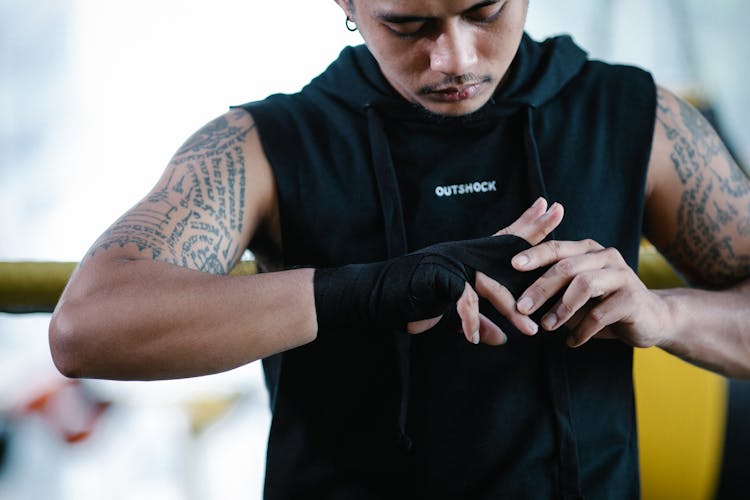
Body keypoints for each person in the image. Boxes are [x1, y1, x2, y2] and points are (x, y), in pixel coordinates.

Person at [49, 0, 750, 498]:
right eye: (408, 25)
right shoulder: (266, 144)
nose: (456, 59)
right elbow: (86, 327)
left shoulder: (636, 115)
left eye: (485, 10)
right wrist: (374, 289)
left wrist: (668, 316)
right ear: (346, 2)